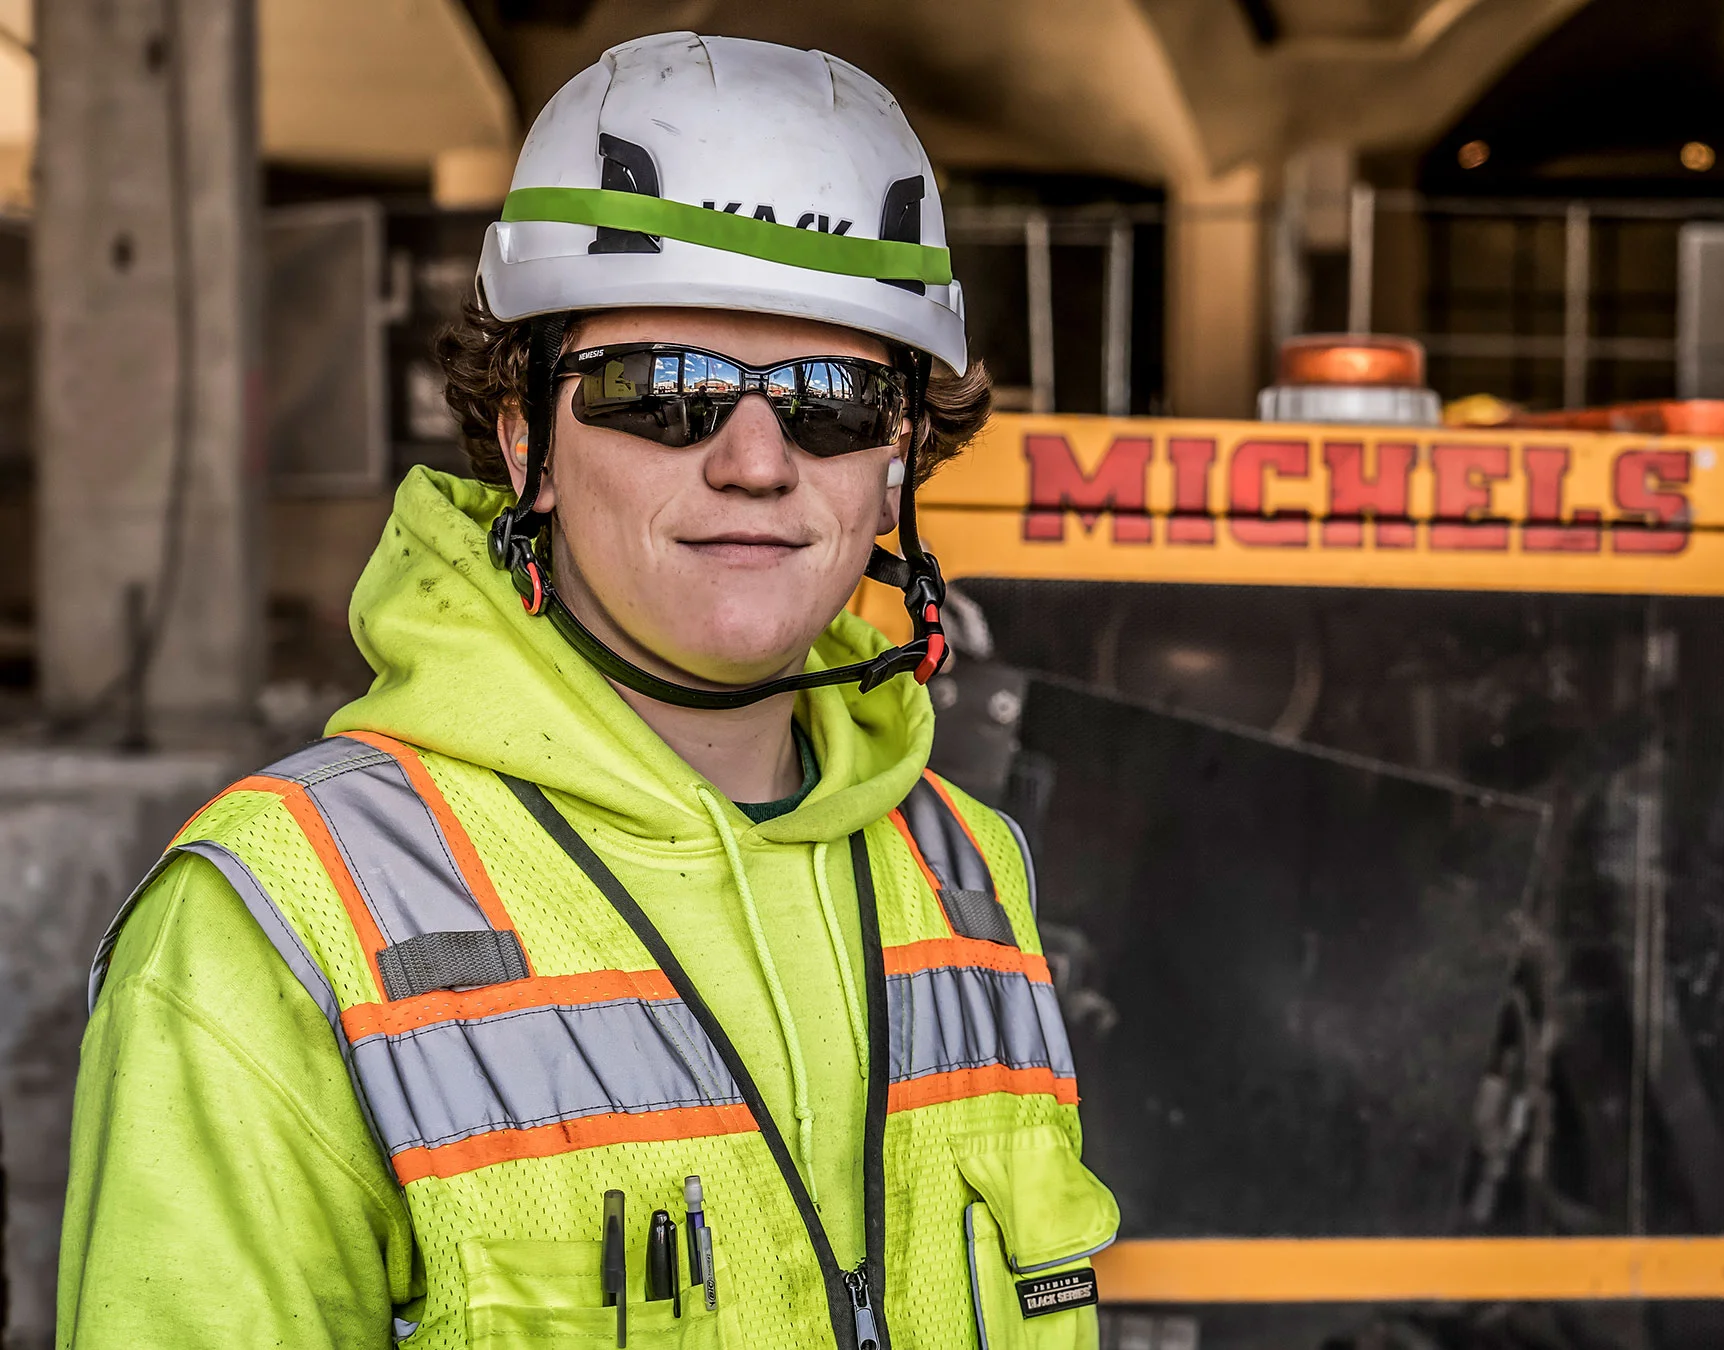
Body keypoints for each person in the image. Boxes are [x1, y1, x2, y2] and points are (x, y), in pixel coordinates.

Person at [58, 31, 1115, 1350]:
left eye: (832, 397)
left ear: (896, 457)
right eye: (662, 389)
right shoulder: (277, 934)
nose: (755, 461)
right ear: (527, 444)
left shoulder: (969, 877)